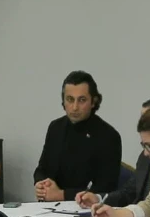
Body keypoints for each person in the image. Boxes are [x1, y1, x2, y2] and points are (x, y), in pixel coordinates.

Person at [33, 70, 122, 202]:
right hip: (49, 205)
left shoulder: (109, 136)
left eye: (82, 100)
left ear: (93, 101)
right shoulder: (55, 127)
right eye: (70, 99)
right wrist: (40, 184)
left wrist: (62, 195)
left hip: (86, 208)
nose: (75, 107)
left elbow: (105, 188)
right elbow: (42, 169)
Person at [86, 96, 150, 208]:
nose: (141, 125)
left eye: (147, 120)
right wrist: (98, 198)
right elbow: (129, 193)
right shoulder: (144, 157)